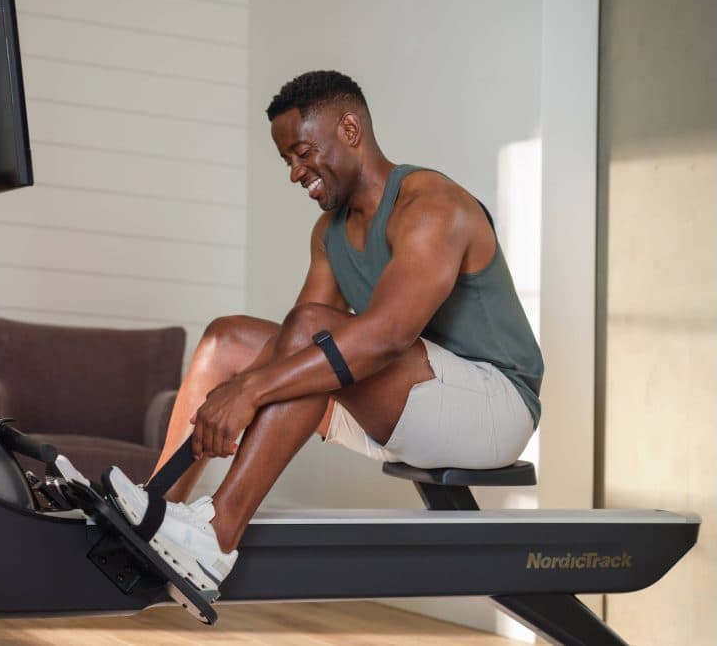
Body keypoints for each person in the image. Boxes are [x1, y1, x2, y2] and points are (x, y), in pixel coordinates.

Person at [105, 69, 544, 608]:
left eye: (303, 152)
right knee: (226, 341)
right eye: (287, 160)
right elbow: (297, 338)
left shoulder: (432, 206)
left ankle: (216, 537)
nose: (295, 173)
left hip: (494, 406)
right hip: (409, 397)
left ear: (351, 130)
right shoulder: (329, 233)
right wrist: (237, 384)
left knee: (307, 340)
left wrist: (249, 391)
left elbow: (386, 337)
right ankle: (155, 511)